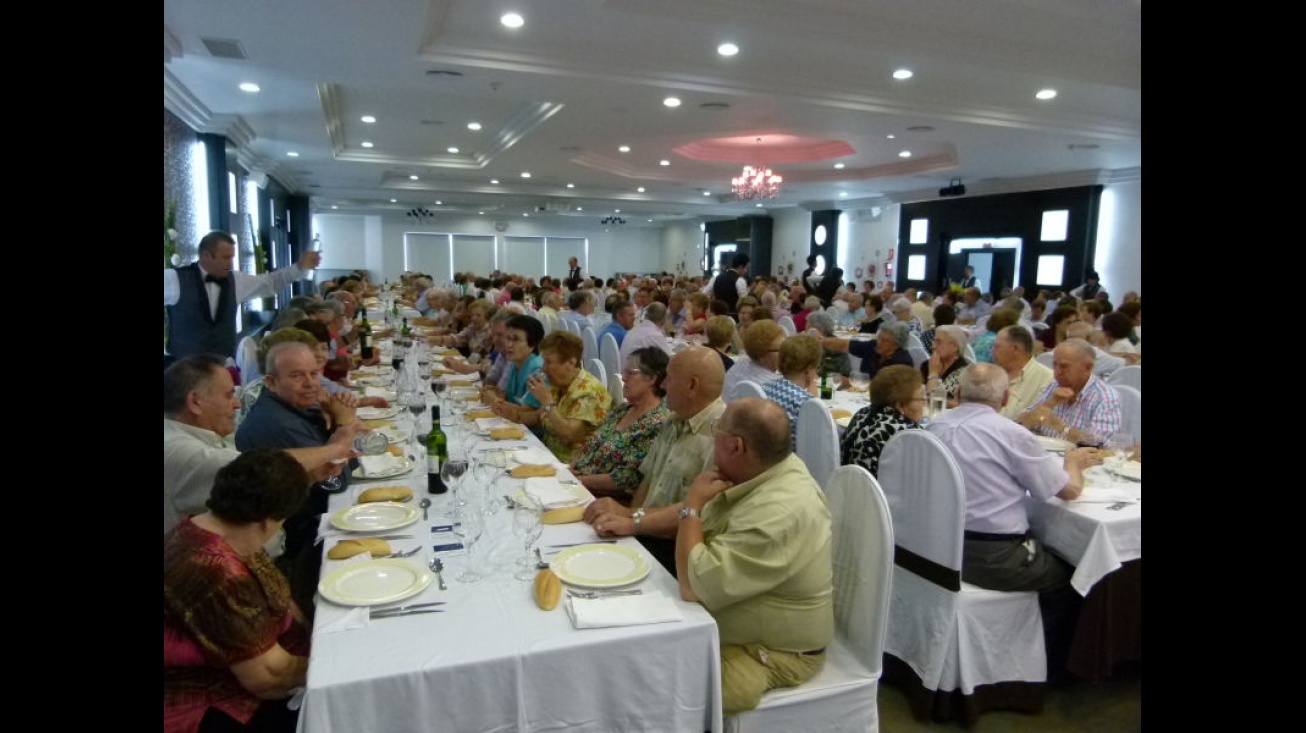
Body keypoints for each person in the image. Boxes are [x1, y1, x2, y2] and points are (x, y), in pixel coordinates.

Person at [926, 364, 1100, 680]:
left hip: (936, 546)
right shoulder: (1011, 434)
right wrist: (1073, 463)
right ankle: (1045, 669)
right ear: (1005, 398)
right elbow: (1069, 490)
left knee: (1044, 544)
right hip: (990, 559)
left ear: (959, 393)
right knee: (1075, 574)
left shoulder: (932, 428)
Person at [674, 397, 833, 715]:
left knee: (668, 687)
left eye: (716, 429)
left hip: (775, 652)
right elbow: (704, 528)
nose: (713, 435)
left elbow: (693, 584)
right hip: (728, 619)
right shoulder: (767, 470)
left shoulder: (779, 511)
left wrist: (690, 508)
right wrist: (637, 518)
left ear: (736, 446)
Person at [164, 450, 315, 733]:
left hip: (276, 667)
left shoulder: (209, 527)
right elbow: (269, 678)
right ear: (268, 521)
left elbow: (281, 601)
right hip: (217, 706)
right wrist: (335, 669)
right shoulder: (216, 571)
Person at [165, 354, 358, 536]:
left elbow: (257, 492)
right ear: (195, 402)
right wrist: (338, 446)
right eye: (228, 395)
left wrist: (312, 475)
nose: (237, 404)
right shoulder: (176, 448)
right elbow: (254, 469)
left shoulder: (207, 436)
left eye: (314, 373)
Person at [234, 342, 361, 618]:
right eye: (296, 376)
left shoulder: (293, 408)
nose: (310, 384)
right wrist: (343, 424)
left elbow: (351, 460)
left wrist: (331, 418)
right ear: (271, 381)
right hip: (297, 540)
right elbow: (336, 484)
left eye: (314, 374)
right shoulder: (279, 423)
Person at [583, 346, 727, 572]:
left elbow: (701, 510)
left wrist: (632, 520)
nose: (663, 385)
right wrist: (629, 527)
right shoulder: (674, 420)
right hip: (646, 535)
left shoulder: (722, 438)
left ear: (692, 386)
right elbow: (647, 480)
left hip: (676, 552)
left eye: (669, 378)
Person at [164, 231, 322, 363]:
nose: (231, 263)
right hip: (182, 369)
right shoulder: (174, 279)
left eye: (232, 257)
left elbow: (270, 283)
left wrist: (299, 267)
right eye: (226, 257)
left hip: (221, 367)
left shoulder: (236, 281)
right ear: (206, 255)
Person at [570, 347, 673, 501]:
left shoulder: (658, 422)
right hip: (578, 485)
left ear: (652, 378)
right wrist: (571, 467)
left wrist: (580, 481)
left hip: (604, 501)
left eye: (630, 373)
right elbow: (591, 444)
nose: (623, 378)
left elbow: (629, 477)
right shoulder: (623, 409)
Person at [514, 331, 612, 462]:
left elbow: (569, 434)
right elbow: (539, 417)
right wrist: (513, 415)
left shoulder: (589, 392)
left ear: (571, 363)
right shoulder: (559, 385)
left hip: (571, 467)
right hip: (546, 456)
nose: (543, 368)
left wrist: (547, 402)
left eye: (548, 362)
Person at [1017, 339, 1122, 444]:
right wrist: (1048, 405)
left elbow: (1100, 443)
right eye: (1055, 365)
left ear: (1088, 367)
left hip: (1080, 458)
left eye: (1064, 366)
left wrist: (1059, 426)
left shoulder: (1104, 396)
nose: (1057, 372)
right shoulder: (1053, 386)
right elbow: (1019, 425)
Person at [840, 364, 924, 476]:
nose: (924, 404)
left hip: (845, 487)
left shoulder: (862, 413)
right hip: (878, 492)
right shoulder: (907, 433)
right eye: (920, 398)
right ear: (900, 406)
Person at [761, 334, 823, 451]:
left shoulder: (765, 387)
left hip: (766, 453)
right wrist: (815, 401)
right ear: (809, 369)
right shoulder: (805, 402)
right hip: (791, 458)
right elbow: (821, 436)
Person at [992, 325, 1056, 419]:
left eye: (997, 347)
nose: (992, 351)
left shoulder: (1047, 379)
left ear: (1015, 349)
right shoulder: (991, 375)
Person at [484, 314, 545, 407]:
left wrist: (495, 399)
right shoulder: (515, 363)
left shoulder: (537, 369)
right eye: (508, 338)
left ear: (532, 344)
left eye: (516, 339)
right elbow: (507, 397)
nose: (509, 345)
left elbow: (529, 412)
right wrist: (494, 391)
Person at [721, 319, 785, 401]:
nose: (785, 352)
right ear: (762, 355)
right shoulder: (774, 386)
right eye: (780, 349)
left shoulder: (741, 361)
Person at [828, 320, 914, 379]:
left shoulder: (903, 362)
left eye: (885, 341)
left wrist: (853, 383)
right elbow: (846, 345)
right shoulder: (872, 347)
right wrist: (822, 341)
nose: (879, 343)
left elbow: (890, 389)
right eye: (879, 338)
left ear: (897, 345)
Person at [921, 324, 971, 404]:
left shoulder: (964, 372)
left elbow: (935, 401)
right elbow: (917, 396)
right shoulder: (926, 365)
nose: (932, 346)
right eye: (933, 341)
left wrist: (933, 374)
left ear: (954, 347)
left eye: (938, 342)